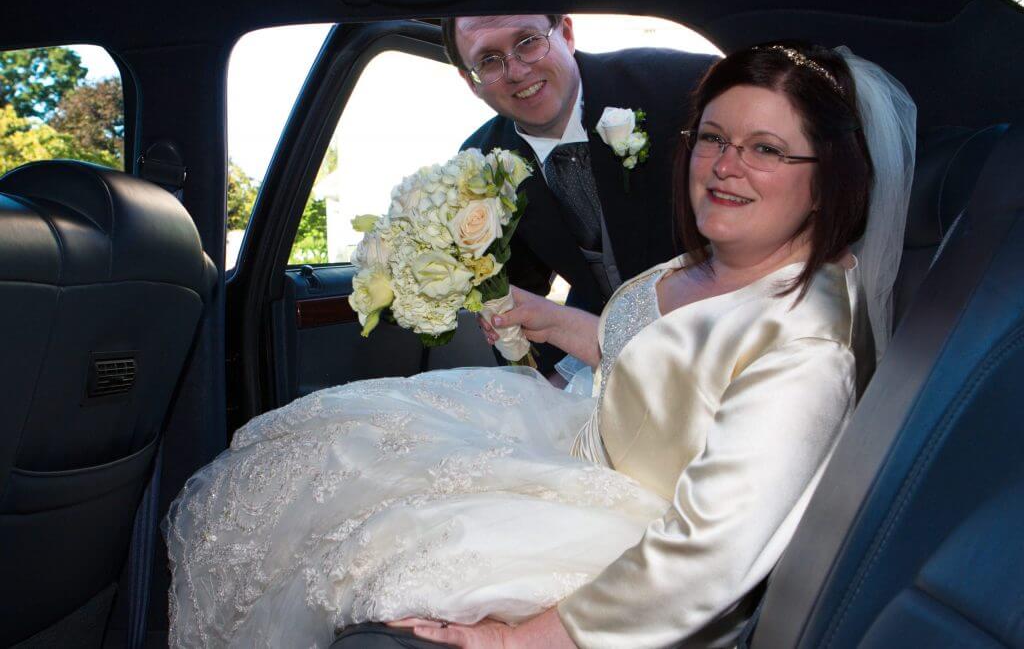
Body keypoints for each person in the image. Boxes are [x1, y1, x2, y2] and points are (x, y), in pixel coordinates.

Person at [164, 42, 916, 648]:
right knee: (317, 450)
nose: (724, 166)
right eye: (714, 138)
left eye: (766, 150)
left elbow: (710, 551)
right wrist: (553, 321)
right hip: (582, 451)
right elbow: (663, 372)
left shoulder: (807, 348)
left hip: (639, 539)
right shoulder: (706, 265)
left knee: (368, 545)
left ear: (826, 183)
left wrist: (524, 639)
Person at [446, 15, 716, 373]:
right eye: (489, 60)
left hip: (720, 335)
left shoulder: (681, 85)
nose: (516, 70)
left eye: (528, 42)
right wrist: (538, 383)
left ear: (567, 34)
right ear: (471, 81)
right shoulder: (481, 166)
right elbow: (510, 296)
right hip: (596, 356)